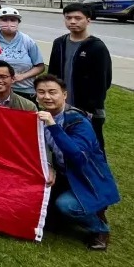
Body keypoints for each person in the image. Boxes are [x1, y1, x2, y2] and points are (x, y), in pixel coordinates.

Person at [36, 74, 120, 251]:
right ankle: (80, 210)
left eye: (52, 92)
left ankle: (99, 227)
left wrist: (53, 126)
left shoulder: (78, 121)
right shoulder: (41, 118)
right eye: (41, 92)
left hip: (86, 177)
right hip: (63, 174)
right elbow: (44, 149)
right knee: (46, 218)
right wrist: (50, 166)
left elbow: (77, 156)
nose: (47, 97)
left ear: (64, 95)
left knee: (66, 206)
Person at [48, 3, 112, 152]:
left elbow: (104, 81)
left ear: (88, 21)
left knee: (91, 146)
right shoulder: (59, 43)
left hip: (88, 110)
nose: (72, 22)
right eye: (68, 18)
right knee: (61, 144)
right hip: (61, 105)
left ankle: (96, 174)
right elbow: (52, 74)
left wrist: (92, 106)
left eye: (78, 18)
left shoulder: (96, 47)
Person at [0, 7, 44, 103]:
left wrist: (22, 76)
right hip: (0, 90)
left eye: (13, 20)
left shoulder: (27, 41)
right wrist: (0, 74)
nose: (9, 23)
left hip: (24, 90)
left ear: (18, 22)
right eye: (4, 20)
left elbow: (40, 66)